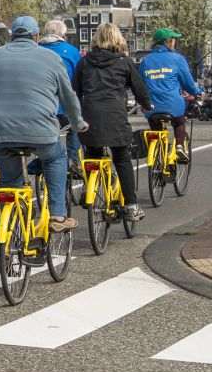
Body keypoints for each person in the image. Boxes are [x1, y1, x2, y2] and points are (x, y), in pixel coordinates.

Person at [0, 16, 86, 232]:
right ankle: (57, 215)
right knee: (56, 158)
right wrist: (77, 124)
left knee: (9, 181)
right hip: (39, 129)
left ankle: (6, 229)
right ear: (36, 37)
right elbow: (68, 97)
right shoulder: (51, 57)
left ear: (12, 36)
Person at [72, 22, 151, 221]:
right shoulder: (124, 62)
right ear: (118, 39)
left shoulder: (85, 62)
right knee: (122, 159)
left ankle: (88, 188)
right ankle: (131, 206)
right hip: (115, 116)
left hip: (90, 117)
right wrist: (146, 104)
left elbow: (75, 91)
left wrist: (75, 114)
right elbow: (139, 89)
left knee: (92, 154)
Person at [139, 28, 202, 165]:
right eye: (174, 39)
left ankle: (157, 154)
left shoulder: (145, 60)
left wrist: (142, 103)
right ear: (169, 41)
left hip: (151, 106)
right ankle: (179, 146)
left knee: (155, 127)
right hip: (173, 104)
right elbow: (188, 84)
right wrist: (198, 92)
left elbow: (141, 84)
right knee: (179, 122)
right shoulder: (177, 58)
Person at [39, 20, 84, 174]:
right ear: (63, 35)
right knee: (75, 128)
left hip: (43, 107)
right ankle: (72, 160)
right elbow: (80, 78)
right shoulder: (72, 51)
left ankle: (50, 159)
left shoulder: (36, 49)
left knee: (51, 134)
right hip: (65, 107)